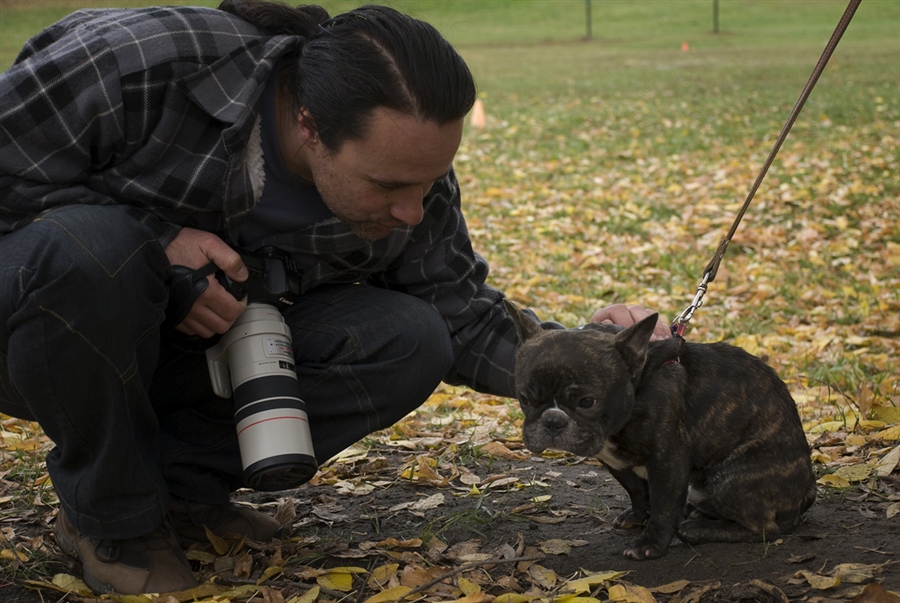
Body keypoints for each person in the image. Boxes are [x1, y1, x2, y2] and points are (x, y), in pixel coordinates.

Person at [0, 0, 670, 594]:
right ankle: (114, 520)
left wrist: (602, 355)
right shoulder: (134, 62)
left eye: (429, 181)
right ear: (309, 125)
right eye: (386, 187)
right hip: (41, 331)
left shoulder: (412, 185)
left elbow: (462, 317)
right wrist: (156, 240)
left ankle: (173, 492)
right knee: (91, 248)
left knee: (412, 336)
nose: (412, 211)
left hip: (197, 355)